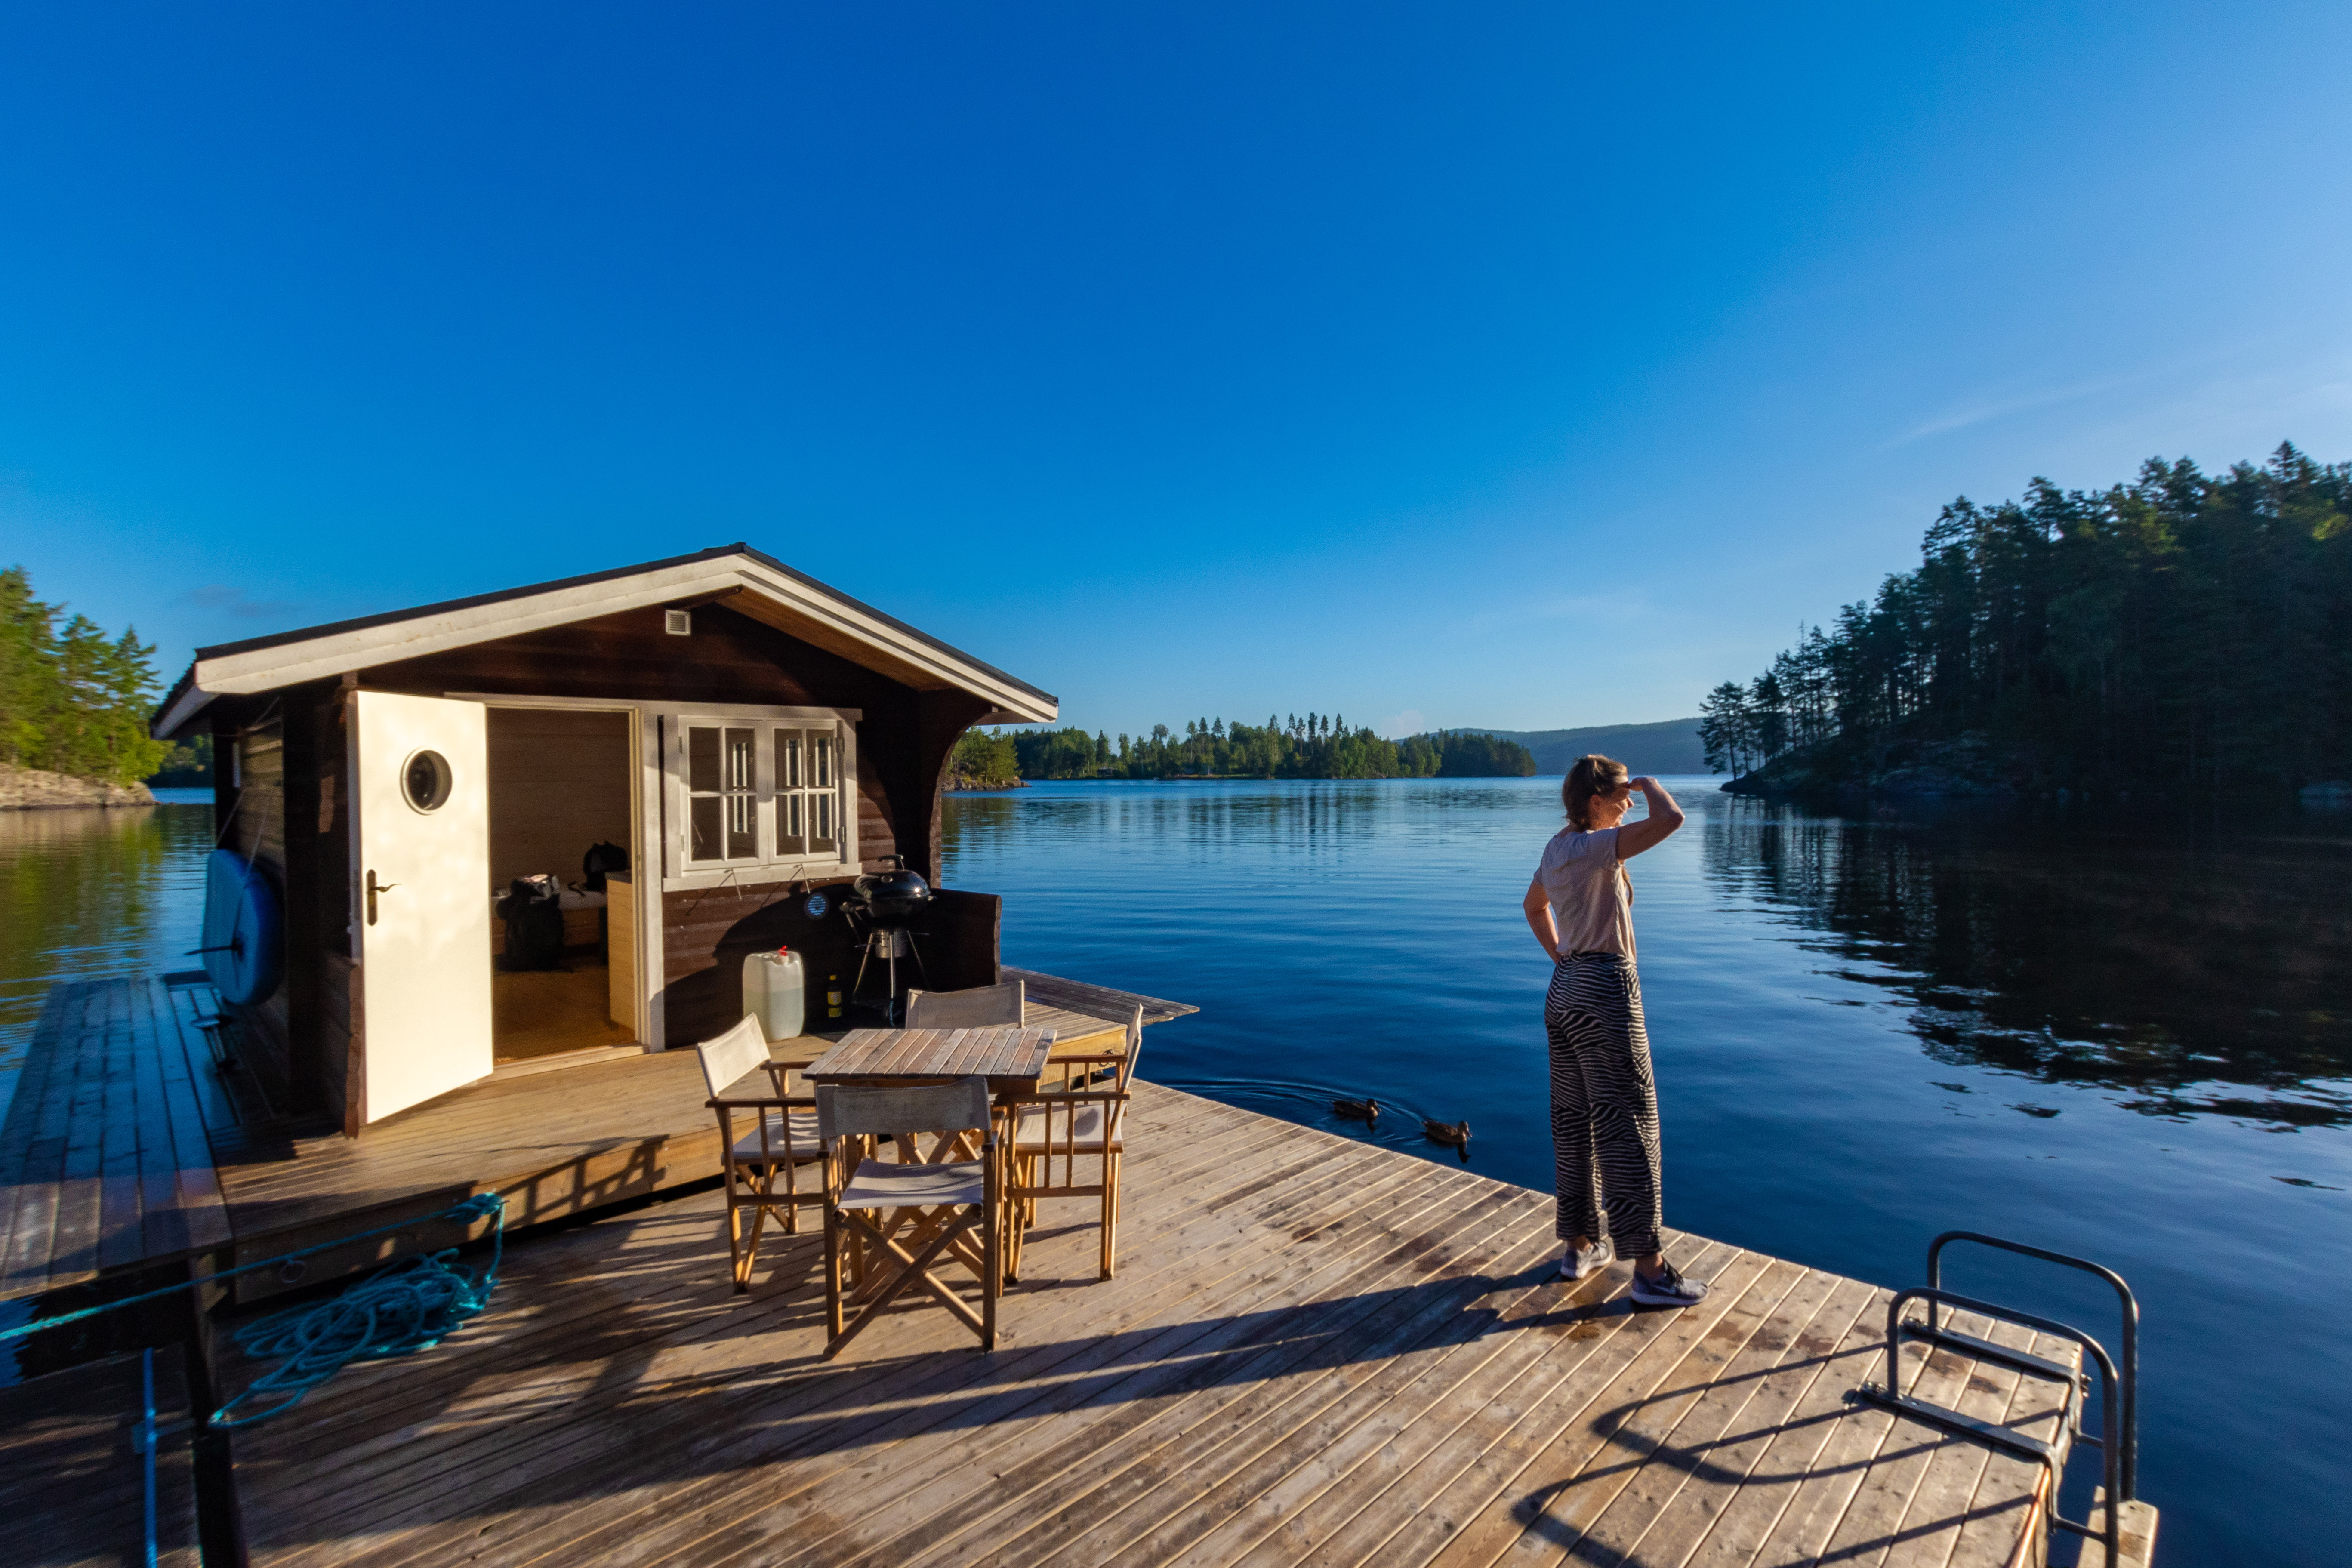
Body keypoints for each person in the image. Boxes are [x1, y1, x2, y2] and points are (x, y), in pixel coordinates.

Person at [1521, 755, 1708, 1307]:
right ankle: (1649, 1273)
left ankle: (1579, 1246)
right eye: (1622, 793)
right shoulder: (1596, 846)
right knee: (1630, 1125)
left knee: (1574, 1123)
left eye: (1633, 792)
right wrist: (1653, 784)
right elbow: (1671, 820)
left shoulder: (1558, 849)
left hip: (1566, 990)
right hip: (1605, 989)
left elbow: (1533, 907)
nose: (1629, 802)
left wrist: (1562, 958)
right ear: (1596, 802)